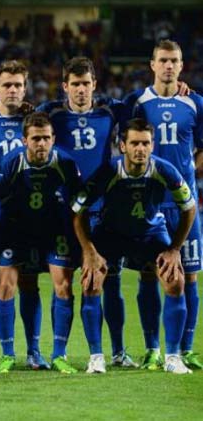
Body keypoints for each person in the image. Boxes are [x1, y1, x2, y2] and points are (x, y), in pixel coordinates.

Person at [0, 112, 82, 374]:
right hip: (15, 228)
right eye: (36, 139)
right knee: (5, 285)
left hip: (53, 230)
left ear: (53, 139)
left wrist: (85, 247)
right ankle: (8, 355)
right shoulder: (12, 163)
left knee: (63, 285)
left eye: (46, 138)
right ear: (25, 140)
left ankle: (58, 355)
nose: (41, 144)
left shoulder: (65, 163)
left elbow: (79, 206)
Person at [72, 118, 196, 374]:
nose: (141, 149)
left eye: (146, 143)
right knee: (91, 281)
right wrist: (89, 251)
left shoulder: (164, 170)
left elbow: (189, 208)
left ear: (152, 145)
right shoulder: (109, 171)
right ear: (123, 146)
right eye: (135, 143)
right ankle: (97, 357)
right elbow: (78, 212)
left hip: (150, 233)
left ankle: (172, 357)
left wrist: (174, 249)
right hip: (112, 234)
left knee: (175, 280)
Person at [37, 57, 139, 368]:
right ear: (65, 86)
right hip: (63, 211)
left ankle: (117, 352)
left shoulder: (111, 109)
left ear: (94, 85)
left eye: (86, 83)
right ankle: (59, 354)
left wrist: (181, 90)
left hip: (101, 212)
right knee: (63, 282)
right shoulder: (50, 112)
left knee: (108, 281)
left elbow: (142, 106)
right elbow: (22, 120)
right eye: (75, 84)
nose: (81, 90)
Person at [123, 40, 203, 370]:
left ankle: (186, 349)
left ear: (181, 66)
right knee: (147, 275)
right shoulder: (137, 102)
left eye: (174, 61)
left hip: (185, 205)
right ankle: (152, 348)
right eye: (163, 60)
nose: (169, 66)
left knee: (191, 276)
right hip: (150, 204)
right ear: (152, 64)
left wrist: (187, 173)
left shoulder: (195, 102)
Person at [0, 60, 49, 370]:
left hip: (27, 219)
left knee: (29, 283)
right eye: (7, 85)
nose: (12, 90)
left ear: (25, 89)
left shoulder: (34, 122)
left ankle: (33, 352)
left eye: (18, 85)